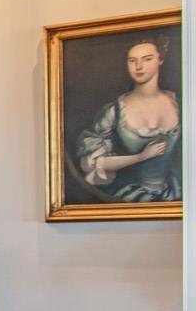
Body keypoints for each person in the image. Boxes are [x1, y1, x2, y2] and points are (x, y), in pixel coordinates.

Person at [74, 37, 180, 202]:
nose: (139, 66)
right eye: (132, 60)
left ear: (160, 60)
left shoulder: (178, 104)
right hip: (130, 196)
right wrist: (142, 156)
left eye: (147, 59)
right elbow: (97, 163)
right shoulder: (114, 111)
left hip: (174, 193)